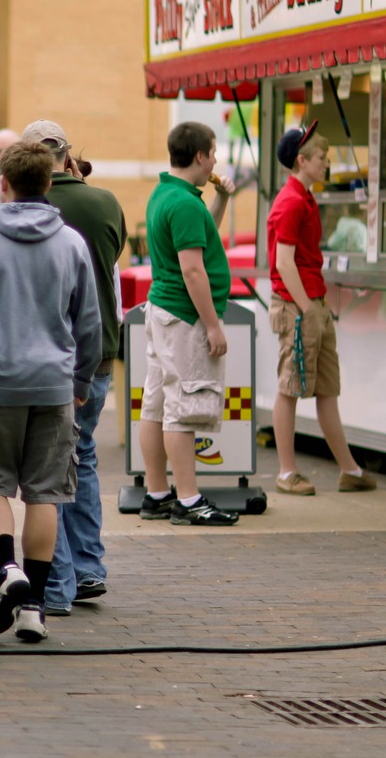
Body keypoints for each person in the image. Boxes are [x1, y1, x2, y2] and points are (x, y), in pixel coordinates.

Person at [0, 140, 101, 642]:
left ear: (6, 182)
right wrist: (80, 380)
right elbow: (89, 323)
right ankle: (34, 607)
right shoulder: (72, 244)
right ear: (48, 183)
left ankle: (6, 569)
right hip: (55, 384)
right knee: (46, 492)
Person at [21, 119, 126, 617]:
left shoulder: (21, 208)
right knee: (81, 456)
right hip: (100, 350)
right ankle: (89, 569)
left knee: (47, 469)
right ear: (65, 157)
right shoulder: (104, 202)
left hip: (44, 354)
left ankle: (57, 580)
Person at [139, 122, 241, 526]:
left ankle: (157, 492)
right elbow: (194, 269)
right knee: (182, 409)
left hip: (163, 310)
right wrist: (213, 325)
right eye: (213, 152)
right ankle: (188, 498)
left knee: (157, 404)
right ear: (200, 155)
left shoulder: (168, 193)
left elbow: (200, 237)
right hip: (184, 316)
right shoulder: (183, 203)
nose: (215, 159)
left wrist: (221, 200)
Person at [267, 122, 376, 495]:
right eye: (321, 157)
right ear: (302, 161)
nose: (327, 163)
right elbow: (284, 262)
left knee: (326, 387)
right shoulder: (292, 202)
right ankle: (286, 471)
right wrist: (307, 308)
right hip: (300, 305)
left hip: (312, 303)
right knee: (290, 387)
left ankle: (349, 469)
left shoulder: (303, 198)